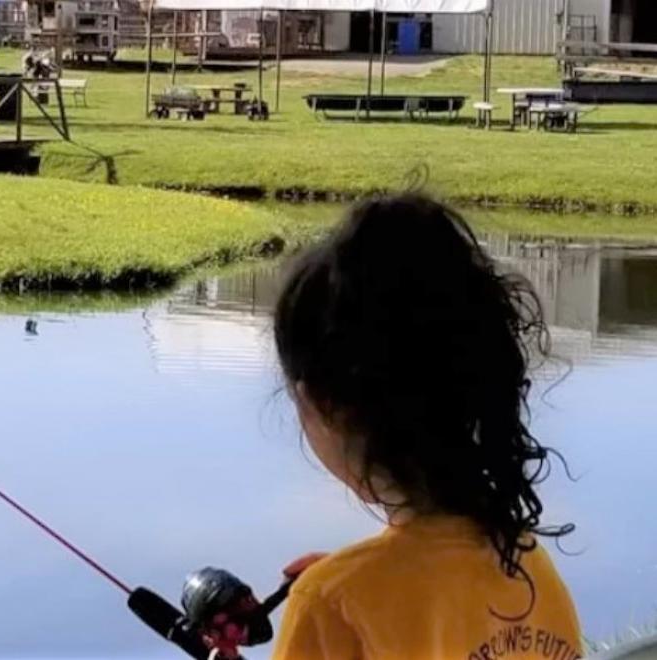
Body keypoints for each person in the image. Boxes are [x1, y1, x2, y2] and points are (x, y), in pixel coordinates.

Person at [210, 194, 583, 659]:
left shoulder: (329, 605)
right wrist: (361, 580)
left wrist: (346, 589)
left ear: (322, 405)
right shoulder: (527, 558)